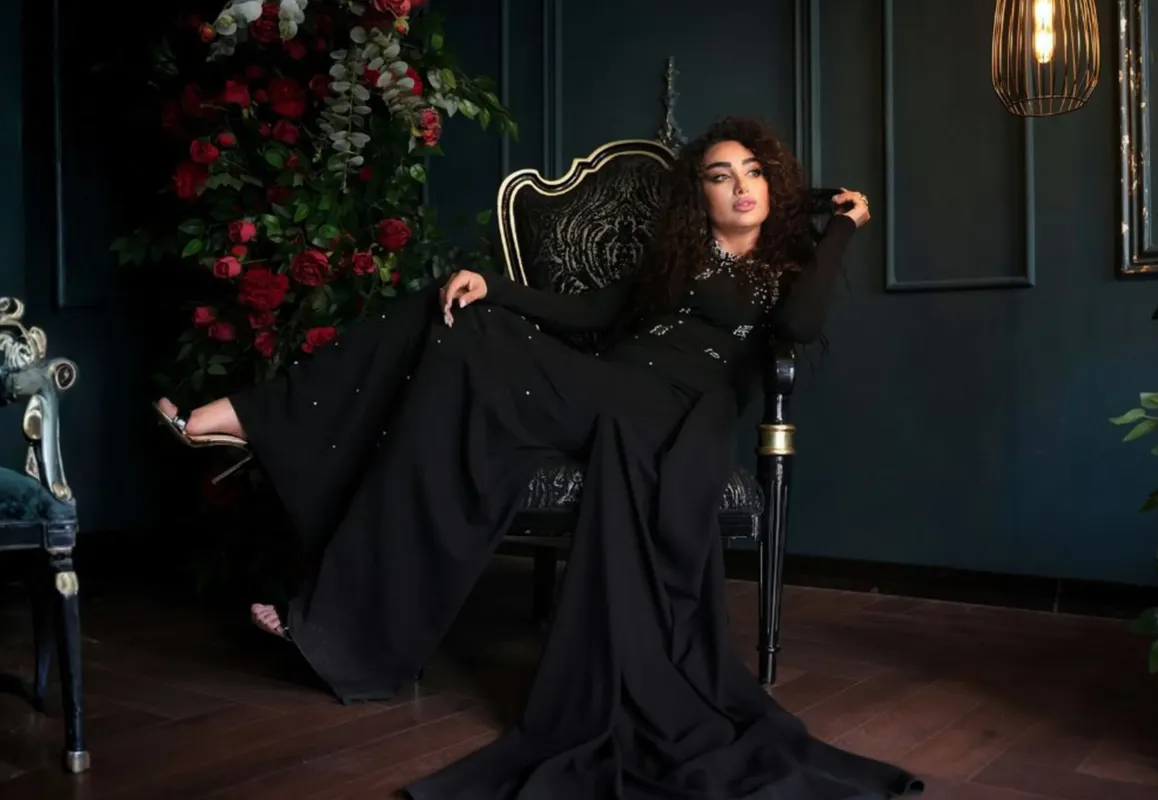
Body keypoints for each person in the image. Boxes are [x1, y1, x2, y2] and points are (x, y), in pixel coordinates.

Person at [154, 116, 924, 798]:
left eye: (753, 172)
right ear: (701, 195)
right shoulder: (679, 254)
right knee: (450, 314)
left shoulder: (786, 270)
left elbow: (802, 327)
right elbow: (589, 312)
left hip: (664, 412)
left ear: (774, 186)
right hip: (601, 386)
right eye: (720, 175)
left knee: (468, 338)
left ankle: (257, 428)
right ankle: (319, 568)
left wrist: (840, 227)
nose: (740, 186)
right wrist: (494, 284)